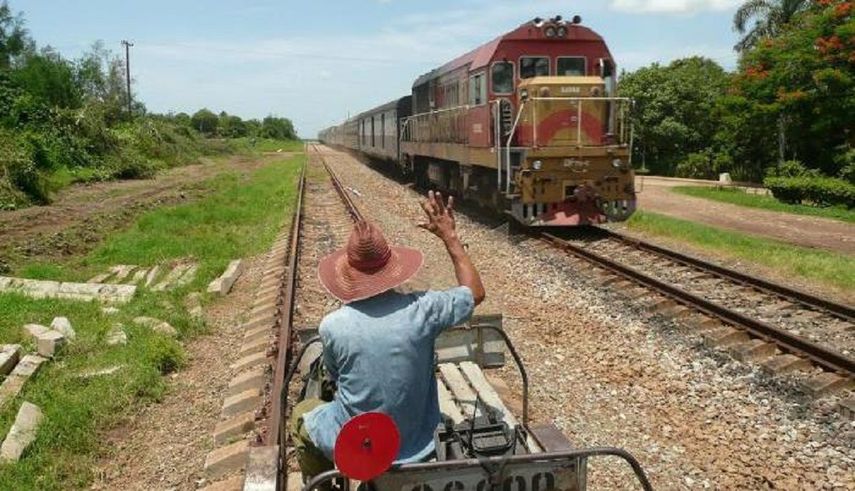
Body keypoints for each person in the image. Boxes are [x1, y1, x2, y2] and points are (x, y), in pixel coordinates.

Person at [290, 190, 486, 481]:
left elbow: (333, 375)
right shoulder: (424, 309)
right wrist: (450, 237)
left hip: (363, 447)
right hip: (420, 443)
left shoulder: (333, 325)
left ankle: (326, 485)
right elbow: (475, 293)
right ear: (392, 267)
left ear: (349, 272)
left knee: (302, 415)